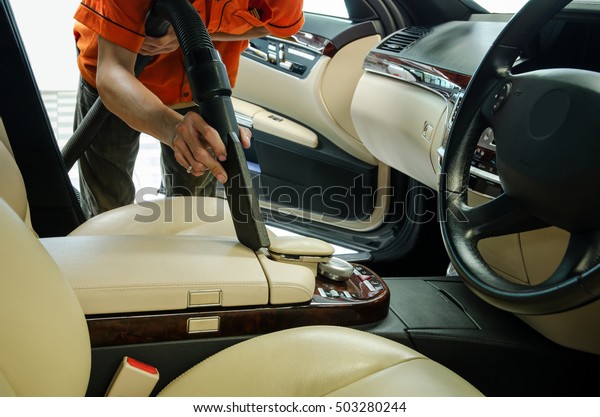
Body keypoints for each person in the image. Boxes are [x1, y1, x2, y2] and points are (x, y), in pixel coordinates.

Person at [72, 0, 304, 218]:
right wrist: (174, 130)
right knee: (107, 207)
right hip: (119, 88)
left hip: (199, 88)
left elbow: (272, 26)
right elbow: (113, 70)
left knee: (192, 210)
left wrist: (192, 32)